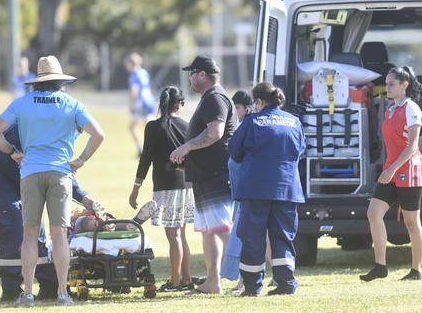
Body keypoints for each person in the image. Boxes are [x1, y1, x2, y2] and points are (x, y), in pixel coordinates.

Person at [0, 55, 105, 307]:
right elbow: (98, 135)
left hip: (29, 172)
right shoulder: (72, 104)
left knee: (29, 234)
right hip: (60, 173)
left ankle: (27, 294)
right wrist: (80, 160)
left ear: (37, 82)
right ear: (60, 81)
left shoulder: (22, 103)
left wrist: (12, 152)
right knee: (59, 234)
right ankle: (62, 293)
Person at [0, 124, 101, 301]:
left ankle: (50, 286)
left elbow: (58, 172)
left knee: (37, 234)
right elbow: (53, 171)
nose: (74, 138)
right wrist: (83, 198)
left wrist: (86, 199)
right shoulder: (37, 128)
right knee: (11, 229)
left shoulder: (54, 132)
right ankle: (11, 289)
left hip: (25, 179)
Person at [228, 82, 306, 296]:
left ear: (259, 101)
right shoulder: (294, 121)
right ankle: (286, 284)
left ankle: (252, 287)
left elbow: (235, 152)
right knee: (283, 237)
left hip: (256, 189)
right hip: (288, 189)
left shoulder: (252, 121)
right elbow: (300, 152)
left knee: (253, 237)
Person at [170, 55, 236, 294]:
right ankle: (213, 281)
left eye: (192, 73)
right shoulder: (210, 98)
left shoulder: (215, 98)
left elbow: (215, 133)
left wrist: (186, 147)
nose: (190, 79)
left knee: (225, 229)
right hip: (204, 176)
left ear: (202, 75)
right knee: (210, 231)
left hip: (215, 174)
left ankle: (245, 280)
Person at [359, 66, 422, 282]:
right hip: (392, 169)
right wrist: (389, 168)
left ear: (404, 85)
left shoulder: (411, 108)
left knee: (411, 222)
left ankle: (416, 271)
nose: (387, 87)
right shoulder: (390, 109)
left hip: (409, 170)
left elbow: (413, 146)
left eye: (391, 84)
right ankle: (380, 266)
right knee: (373, 213)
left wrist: (392, 169)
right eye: (386, 83)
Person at [128, 86, 196, 292]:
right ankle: (186, 279)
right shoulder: (187, 126)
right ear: (179, 104)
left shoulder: (153, 127)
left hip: (165, 186)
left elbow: (145, 159)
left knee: (173, 235)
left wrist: (136, 187)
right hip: (186, 185)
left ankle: (175, 282)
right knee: (181, 234)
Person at [125, 53, 156, 156]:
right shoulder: (144, 72)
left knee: (133, 126)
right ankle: (152, 148)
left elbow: (134, 90)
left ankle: (141, 149)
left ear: (130, 63)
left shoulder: (134, 74)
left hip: (140, 102)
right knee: (149, 126)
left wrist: (131, 104)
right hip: (149, 100)